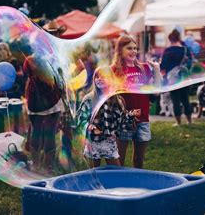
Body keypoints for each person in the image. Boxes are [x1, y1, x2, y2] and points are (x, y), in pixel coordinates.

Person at [111, 35, 161, 168]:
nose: (133, 51)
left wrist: (156, 70)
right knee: (119, 160)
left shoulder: (143, 68)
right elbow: (111, 96)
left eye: (135, 48)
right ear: (120, 50)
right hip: (123, 120)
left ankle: (137, 184)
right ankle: (117, 186)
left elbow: (156, 91)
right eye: (129, 48)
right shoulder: (114, 70)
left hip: (143, 119)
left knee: (139, 160)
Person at [79, 67, 137, 168]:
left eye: (103, 77)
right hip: (93, 142)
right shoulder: (89, 99)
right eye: (97, 76)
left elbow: (121, 123)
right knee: (93, 173)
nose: (99, 79)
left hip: (109, 142)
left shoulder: (117, 100)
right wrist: (88, 126)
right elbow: (81, 120)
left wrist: (130, 116)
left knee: (116, 172)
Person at [23, 55, 64, 174]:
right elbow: (59, 86)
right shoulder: (47, 66)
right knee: (47, 133)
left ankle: (39, 165)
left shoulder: (34, 70)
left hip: (41, 102)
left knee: (40, 132)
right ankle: (46, 166)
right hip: (47, 101)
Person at [160, 29, 193, 126]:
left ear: (170, 39)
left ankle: (178, 122)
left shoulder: (167, 51)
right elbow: (190, 64)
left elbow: (163, 66)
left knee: (175, 100)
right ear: (179, 38)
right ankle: (189, 121)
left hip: (172, 79)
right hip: (184, 77)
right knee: (186, 99)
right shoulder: (185, 50)